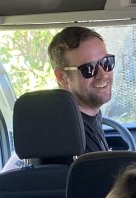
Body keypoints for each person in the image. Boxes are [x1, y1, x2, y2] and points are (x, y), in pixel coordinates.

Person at [49, 25, 115, 154]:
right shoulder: (68, 135)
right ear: (62, 77)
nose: (103, 74)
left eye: (106, 62)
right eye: (89, 68)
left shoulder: (85, 118)